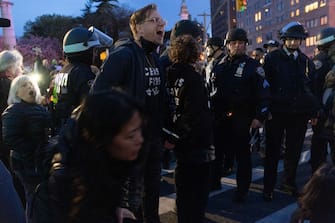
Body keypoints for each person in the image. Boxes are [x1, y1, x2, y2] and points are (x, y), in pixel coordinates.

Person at [91, 4, 169, 222]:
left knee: (152, 193)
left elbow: (160, 97)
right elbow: (98, 96)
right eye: (154, 20)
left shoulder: (155, 57)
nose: (162, 23)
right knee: (129, 202)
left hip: (152, 140)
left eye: (162, 20)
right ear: (138, 28)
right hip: (128, 145)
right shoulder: (123, 55)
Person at [48, 90, 144, 223]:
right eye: (131, 136)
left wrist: (117, 207)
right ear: (104, 138)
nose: (140, 140)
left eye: (140, 130)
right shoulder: (68, 181)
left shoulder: (112, 160)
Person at [211, 28, 270, 202]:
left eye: (241, 43)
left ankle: (242, 189)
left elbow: (264, 94)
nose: (237, 46)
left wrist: (259, 117)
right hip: (220, 117)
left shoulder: (253, 66)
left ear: (245, 45)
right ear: (228, 45)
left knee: (242, 156)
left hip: (242, 117)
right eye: (234, 43)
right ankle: (214, 181)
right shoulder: (219, 64)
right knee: (217, 153)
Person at [262, 21, 319, 201]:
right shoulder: (272, 58)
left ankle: (289, 182)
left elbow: (309, 88)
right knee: (272, 151)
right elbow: (265, 86)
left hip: (299, 113)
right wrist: (265, 109)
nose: (295, 43)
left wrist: (313, 112)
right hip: (277, 112)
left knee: (294, 150)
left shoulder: (304, 60)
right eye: (291, 39)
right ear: (284, 39)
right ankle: (268, 187)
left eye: (298, 40)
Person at [167, 34, 214, 222]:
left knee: (182, 178)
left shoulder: (168, 73)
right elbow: (195, 112)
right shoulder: (193, 78)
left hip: (177, 135)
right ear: (194, 54)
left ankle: (183, 212)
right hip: (198, 139)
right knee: (200, 183)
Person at [2, 75, 50, 223]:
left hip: (40, 162)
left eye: (30, 84)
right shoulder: (13, 112)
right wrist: (33, 149)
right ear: (16, 92)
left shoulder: (40, 108)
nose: (29, 87)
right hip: (25, 164)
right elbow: (10, 139)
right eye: (24, 85)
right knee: (33, 198)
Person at [52, 26, 103, 133]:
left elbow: (55, 101)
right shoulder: (83, 72)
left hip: (64, 127)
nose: (95, 55)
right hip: (79, 129)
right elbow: (92, 106)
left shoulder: (62, 72)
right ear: (84, 50)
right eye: (93, 51)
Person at [310, 27, 335, 172]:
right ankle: (318, 179)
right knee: (319, 146)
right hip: (323, 112)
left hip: (326, 111)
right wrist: (316, 112)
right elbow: (314, 89)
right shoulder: (320, 62)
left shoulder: (325, 60)